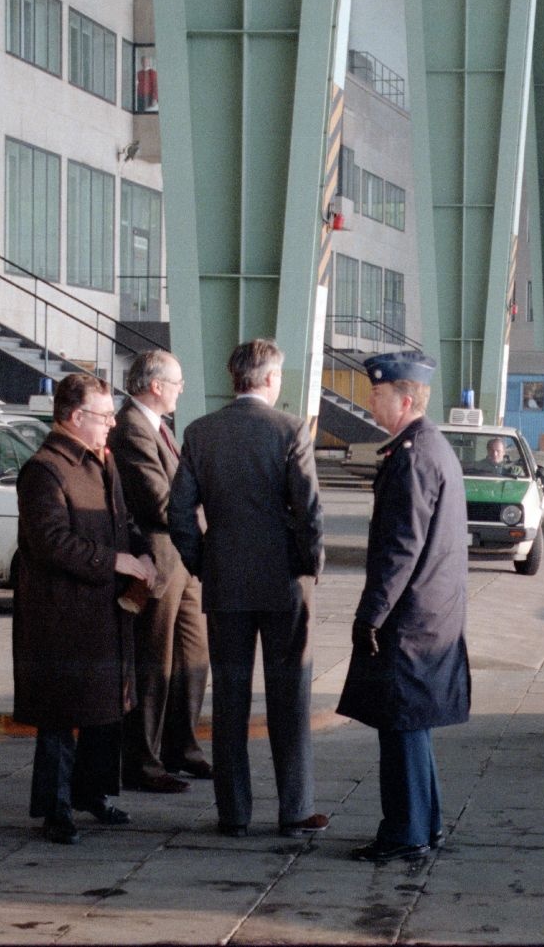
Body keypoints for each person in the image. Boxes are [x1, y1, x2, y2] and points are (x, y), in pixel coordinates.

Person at [169, 340, 327, 839]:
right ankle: (294, 811)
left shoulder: (199, 432)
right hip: (283, 583)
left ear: (233, 378)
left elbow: (178, 514)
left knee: (230, 698)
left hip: (225, 581)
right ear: (271, 379)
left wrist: (203, 563)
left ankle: (233, 813)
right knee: (290, 696)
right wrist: (308, 566)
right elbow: (309, 511)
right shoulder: (289, 429)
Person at [337, 351, 471, 862]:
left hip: (410, 617)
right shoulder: (430, 448)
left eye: (378, 394)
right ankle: (425, 824)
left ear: (406, 398)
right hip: (432, 613)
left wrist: (371, 613)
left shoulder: (414, 456)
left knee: (401, 727)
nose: (371, 402)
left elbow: (400, 547)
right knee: (412, 726)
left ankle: (405, 834)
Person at [13, 373, 156, 845]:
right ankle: (56, 809)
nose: (112, 424)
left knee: (106, 708)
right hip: (62, 616)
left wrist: (143, 555)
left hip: (105, 610)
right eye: (104, 416)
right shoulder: (45, 469)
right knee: (61, 714)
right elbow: (50, 542)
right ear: (76, 418)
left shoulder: (103, 462)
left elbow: (123, 522)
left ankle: (92, 794)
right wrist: (117, 560)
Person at [108, 350, 211, 795]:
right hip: (158, 559)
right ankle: (143, 760)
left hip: (183, 560)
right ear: (155, 385)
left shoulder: (158, 427)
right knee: (154, 661)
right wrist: (211, 518)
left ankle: (181, 746)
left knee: (192, 656)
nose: (181, 389)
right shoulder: (132, 428)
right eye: (177, 382)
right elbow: (159, 502)